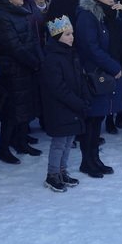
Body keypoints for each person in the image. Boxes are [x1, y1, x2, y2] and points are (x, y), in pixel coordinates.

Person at [74, 0, 122, 175]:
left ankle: (95, 159)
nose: (112, 1)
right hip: (93, 74)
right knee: (91, 119)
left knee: (97, 119)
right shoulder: (87, 16)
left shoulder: (107, 15)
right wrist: (113, 66)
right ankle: (87, 161)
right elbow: (90, 47)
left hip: (103, 72)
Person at [0, 0, 42, 165]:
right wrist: (34, 62)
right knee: (12, 110)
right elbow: (14, 47)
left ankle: (20, 141)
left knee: (24, 106)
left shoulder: (20, 12)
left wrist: (38, 59)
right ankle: (4, 148)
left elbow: (32, 40)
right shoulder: (1, 17)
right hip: (12, 69)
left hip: (25, 67)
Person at [38, 15, 88, 192]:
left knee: (69, 141)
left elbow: (79, 78)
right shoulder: (52, 58)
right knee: (59, 143)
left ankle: (62, 171)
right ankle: (52, 174)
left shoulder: (71, 53)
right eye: (67, 34)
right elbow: (57, 87)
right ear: (57, 36)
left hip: (73, 105)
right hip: (60, 108)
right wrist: (76, 102)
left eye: (72, 33)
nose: (71, 37)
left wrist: (83, 97)